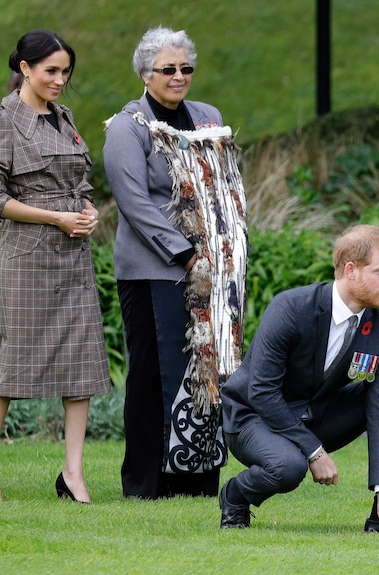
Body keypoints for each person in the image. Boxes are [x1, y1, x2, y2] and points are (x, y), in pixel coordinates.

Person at [0, 29, 111, 504]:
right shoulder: (1, 119)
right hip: (27, 258)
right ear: (25, 69)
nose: (59, 79)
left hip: (73, 258)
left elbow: (79, 181)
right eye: (51, 70)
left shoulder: (64, 117)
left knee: (80, 363)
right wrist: (54, 216)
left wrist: (88, 210)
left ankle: (73, 474)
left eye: (65, 71)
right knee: (9, 363)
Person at [219, 225, 379, 534]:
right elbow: (262, 392)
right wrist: (313, 451)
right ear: (351, 270)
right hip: (254, 416)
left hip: (315, 414)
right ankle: (236, 495)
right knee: (288, 467)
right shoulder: (291, 308)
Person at [103, 27, 232, 499]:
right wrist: (183, 251)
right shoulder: (127, 126)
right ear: (144, 73)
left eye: (186, 68)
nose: (179, 77)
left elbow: (222, 183)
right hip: (152, 268)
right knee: (153, 373)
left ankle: (198, 477)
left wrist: (222, 246)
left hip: (209, 269)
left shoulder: (207, 117)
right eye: (168, 69)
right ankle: (147, 481)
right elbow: (134, 203)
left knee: (204, 370)